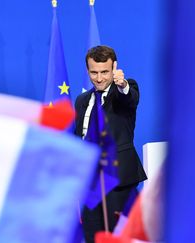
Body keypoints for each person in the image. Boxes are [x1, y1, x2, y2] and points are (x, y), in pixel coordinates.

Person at [74, 45, 147, 242]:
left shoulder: (123, 91)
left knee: (120, 237)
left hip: (118, 181)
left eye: (105, 72)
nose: (99, 78)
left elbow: (129, 98)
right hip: (90, 184)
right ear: (87, 70)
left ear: (114, 68)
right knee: (92, 237)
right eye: (94, 72)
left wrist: (121, 84)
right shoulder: (82, 101)